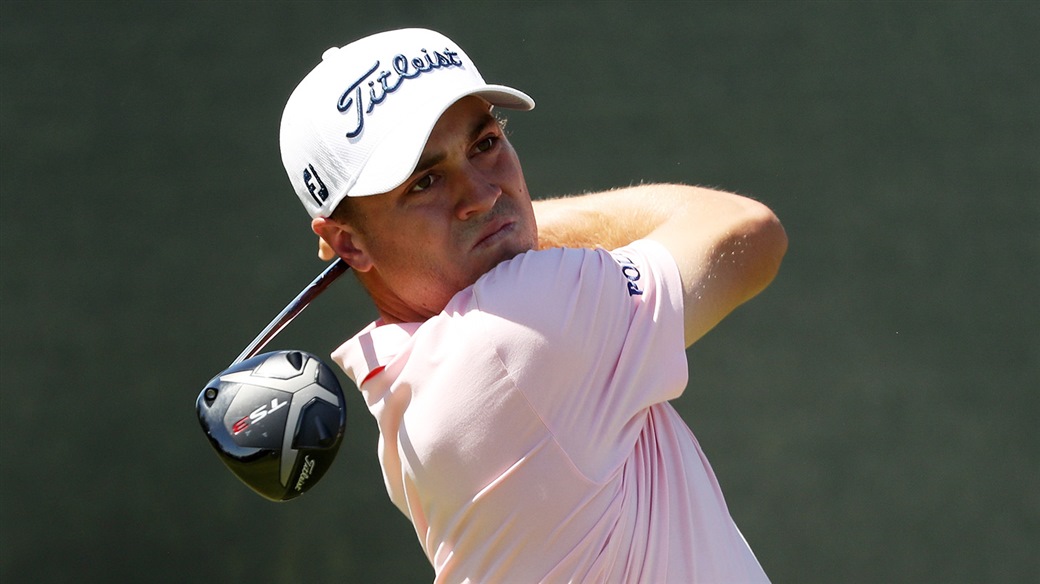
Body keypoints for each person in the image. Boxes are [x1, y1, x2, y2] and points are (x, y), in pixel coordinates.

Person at [279, 28, 787, 583]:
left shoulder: (407, 380)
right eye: (425, 182)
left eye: (484, 145)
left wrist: (491, 230)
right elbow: (749, 233)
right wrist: (511, 228)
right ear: (349, 242)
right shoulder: (513, 332)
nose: (482, 194)